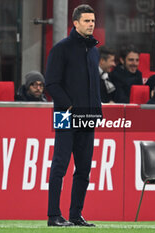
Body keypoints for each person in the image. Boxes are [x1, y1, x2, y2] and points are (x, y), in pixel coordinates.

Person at [45, 4, 101, 227]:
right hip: (65, 115)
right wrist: (68, 106)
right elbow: (51, 83)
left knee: (84, 167)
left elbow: (93, 86)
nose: (91, 25)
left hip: (88, 116)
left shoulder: (94, 51)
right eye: (87, 21)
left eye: (93, 21)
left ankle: (76, 215)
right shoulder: (61, 49)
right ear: (75, 23)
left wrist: (97, 111)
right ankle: (53, 215)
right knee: (60, 164)